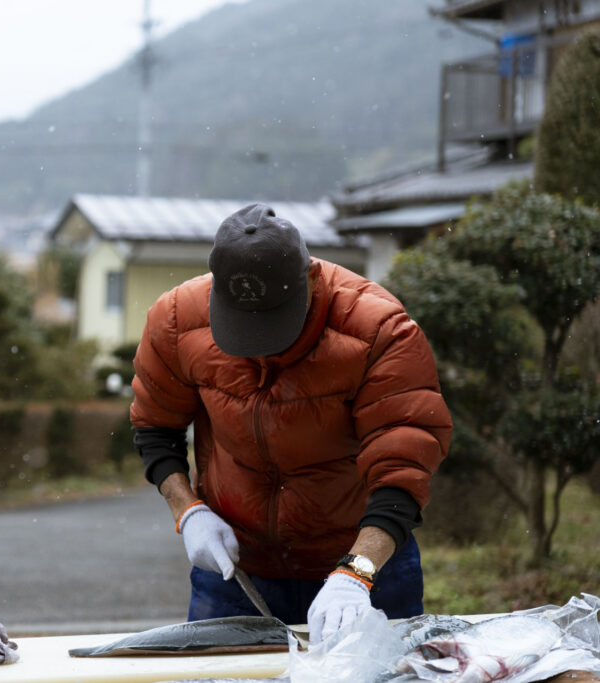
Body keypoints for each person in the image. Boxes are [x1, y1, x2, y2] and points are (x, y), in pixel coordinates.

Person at [129, 203, 452, 644]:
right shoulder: (175, 321)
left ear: (309, 280)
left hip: (365, 572)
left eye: (272, 326)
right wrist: (188, 511)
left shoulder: (377, 330)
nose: (259, 350)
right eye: (243, 330)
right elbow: (155, 427)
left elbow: (402, 468)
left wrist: (354, 574)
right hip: (238, 574)